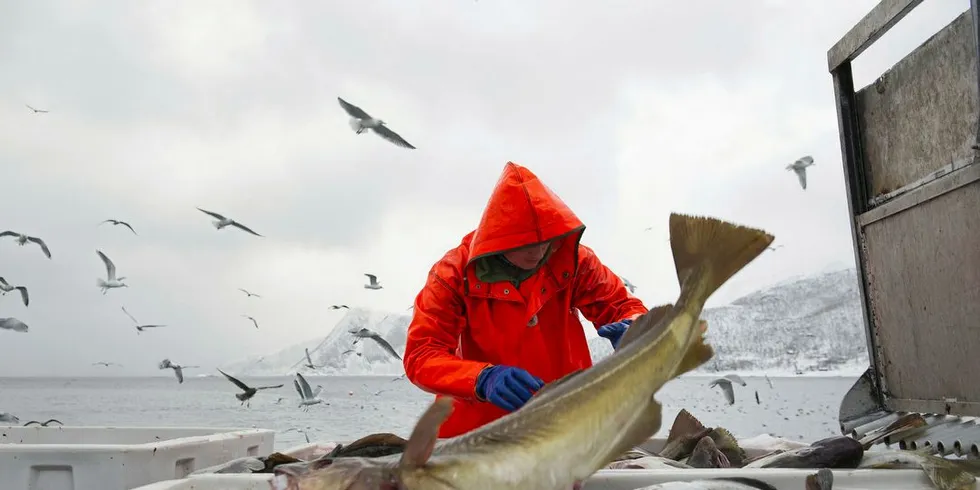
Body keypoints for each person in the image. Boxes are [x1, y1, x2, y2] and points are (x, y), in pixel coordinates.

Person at [403, 161, 649, 438]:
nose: (539, 251)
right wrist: (481, 379)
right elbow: (421, 355)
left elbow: (622, 306)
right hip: (476, 435)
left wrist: (637, 328)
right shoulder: (451, 274)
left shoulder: (575, 261)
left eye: (545, 239)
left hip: (566, 425)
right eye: (525, 242)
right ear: (497, 237)